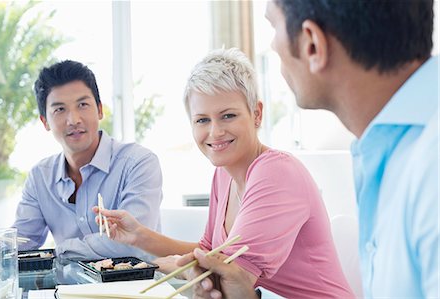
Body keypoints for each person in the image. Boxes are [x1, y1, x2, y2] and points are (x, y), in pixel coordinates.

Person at [180, 0, 439, 298]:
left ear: (312, 44)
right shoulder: (391, 152)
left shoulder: (430, 164)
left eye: (273, 26)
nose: (273, 46)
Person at [95, 48, 354, 298]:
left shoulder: (276, 173)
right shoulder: (224, 175)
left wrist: (172, 266)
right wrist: (139, 236)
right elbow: (209, 252)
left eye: (228, 116)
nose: (215, 132)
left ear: (256, 114)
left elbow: (231, 279)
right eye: (202, 120)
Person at [12, 60, 163, 260]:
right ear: (45, 122)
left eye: (82, 105)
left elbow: (130, 243)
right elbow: (22, 242)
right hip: (67, 290)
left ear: (100, 110)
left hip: (134, 288)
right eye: (59, 109)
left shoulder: (139, 163)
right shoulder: (40, 176)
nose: (74, 120)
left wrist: (58, 253)